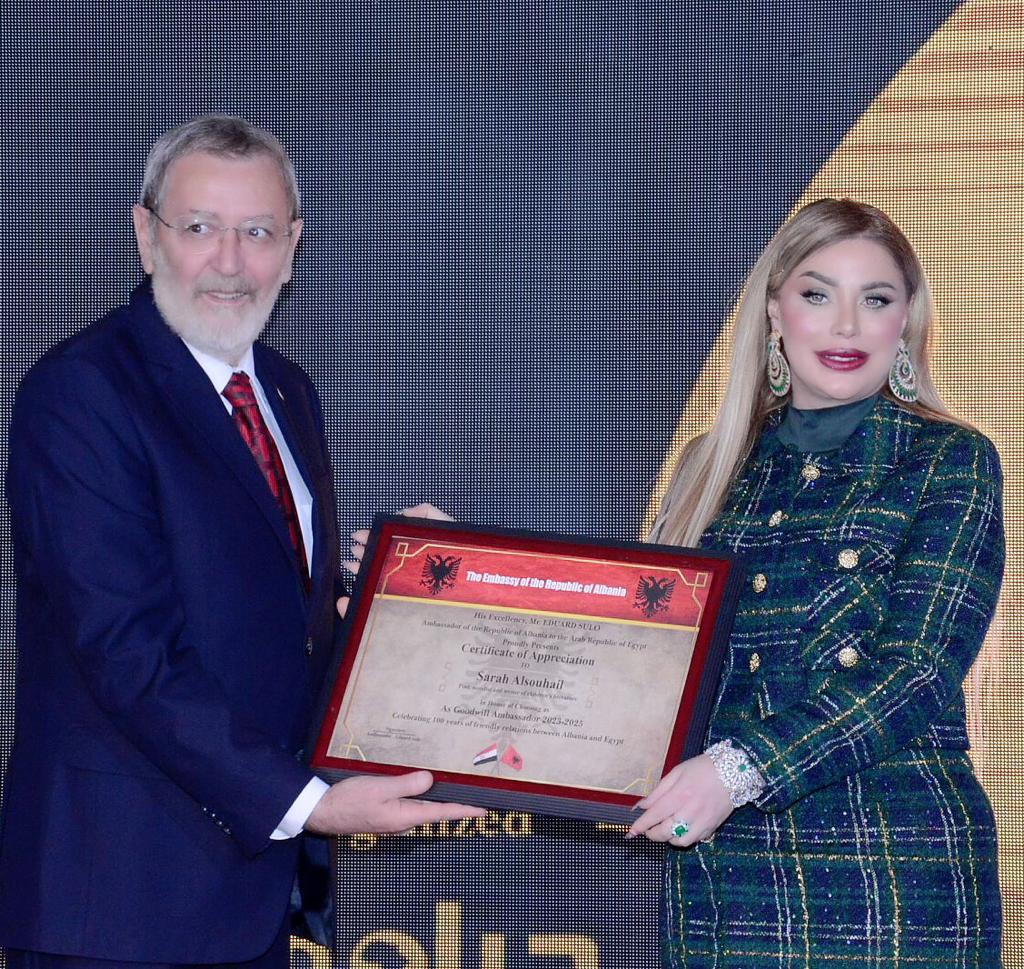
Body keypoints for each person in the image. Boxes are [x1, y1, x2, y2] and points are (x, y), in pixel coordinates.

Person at [0, 115, 482, 969]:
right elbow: (126, 652)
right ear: (146, 235)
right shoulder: (81, 394)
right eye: (200, 228)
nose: (229, 261)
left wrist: (406, 597)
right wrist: (311, 803)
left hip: (249, 897)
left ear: (292, 247)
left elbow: (277, 621)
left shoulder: (287, 393)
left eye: (257, 232)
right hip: (120, 903)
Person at [630, 198, 1004, 966]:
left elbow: (918, 671)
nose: (847, 325)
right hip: (723, 882)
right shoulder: (709, 467)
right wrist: (462, 573)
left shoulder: (948, 459)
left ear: (907, 319)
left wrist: (737, 770)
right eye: (817, 294)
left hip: (891, 875)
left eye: (876, 299)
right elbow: (646, 657)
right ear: (775, 311)